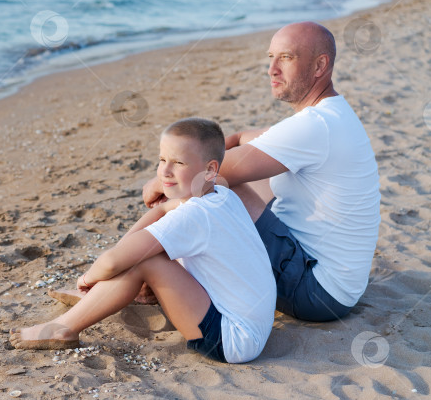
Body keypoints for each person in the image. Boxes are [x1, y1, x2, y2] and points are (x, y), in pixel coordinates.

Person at [142, 22, 381, 322]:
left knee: (221, 189)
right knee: (250, 179)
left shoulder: (313, 126)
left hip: (315, 291)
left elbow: (204, 176)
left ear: (320, 65)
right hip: (338, 287)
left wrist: (159, 181)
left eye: (286, 58)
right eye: (271, 57)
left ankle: (143, 273)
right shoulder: (330, 114)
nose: (272, 70)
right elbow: (242, 137)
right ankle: (154, 271)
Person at [10, 118, 276, 364]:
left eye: (179, 163)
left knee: (143, 260)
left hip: (231, 340)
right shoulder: (221, 195)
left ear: (209, 170)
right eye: (162, 159)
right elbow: (161, 210)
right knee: (140, 252)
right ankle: (103, 296)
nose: (165, 172)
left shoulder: (195, 215)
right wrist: (121, 254)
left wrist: (88, 279)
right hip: (250, 326)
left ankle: (64, 328)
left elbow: (115, 260)